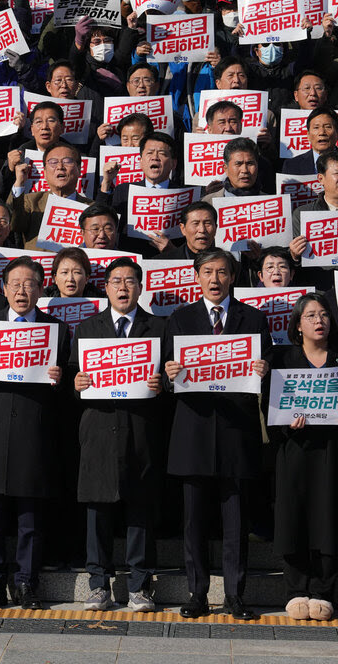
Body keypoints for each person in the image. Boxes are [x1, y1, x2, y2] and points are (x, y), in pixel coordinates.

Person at [164, 248, 272, 620]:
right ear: (196, 277)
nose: (214, 279)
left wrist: (263, 369)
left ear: (233, 276)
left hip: (236, 432)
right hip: (192, 431)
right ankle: (197, 592)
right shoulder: (180, 319)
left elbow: (269, 373)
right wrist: (170, 373)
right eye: (207, 271)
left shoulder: (254, 319)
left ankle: (235, 595)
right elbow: (163, 380)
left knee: (236, 520)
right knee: (193, 520)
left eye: (222, 272)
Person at [0, 257, 68, 610]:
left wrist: (58, 381)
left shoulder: (57, 330)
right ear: (4, 288)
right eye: (15, 283)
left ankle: (27, 582)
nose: (22, 290)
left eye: (30, 284)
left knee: (31, 519)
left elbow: (69, 390)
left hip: (34, 434)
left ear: (42, 289)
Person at [68, 258, 164, 612]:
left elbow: (171, 378)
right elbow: (71, 381)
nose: (123, 288)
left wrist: (163, 382)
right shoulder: (87, 328)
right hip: (98, 429)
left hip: (140, 430)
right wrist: (75, 384)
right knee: (97, 509)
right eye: (116, 281)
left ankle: (140, 585)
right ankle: (98, 584)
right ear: (105, 287)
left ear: (140, 287)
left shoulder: (158, 327)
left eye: (130, 281)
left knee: (140, 508)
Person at [269, 295, 338, 622]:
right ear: (297, 325)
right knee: (293, 518)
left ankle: (324, 591)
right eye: (310, 315)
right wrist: (287, 422)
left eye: (323, 315)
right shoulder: (285, 360)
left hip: (331, 452)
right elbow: (272, 413)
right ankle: (296, 590)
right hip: (294, 451)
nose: (318, 320)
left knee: (328, 520)